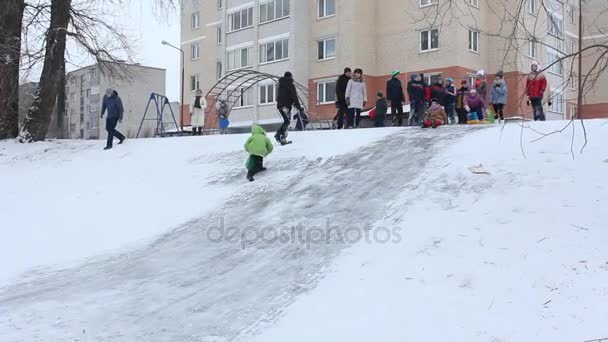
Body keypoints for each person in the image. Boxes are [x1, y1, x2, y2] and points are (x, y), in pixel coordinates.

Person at [276, 71, 302, 145]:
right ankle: (281, 137)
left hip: (280, 106)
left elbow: (279, 96)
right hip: (286, 106)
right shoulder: (290, 84)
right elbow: (294, 96)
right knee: (287, 121)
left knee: (286, 121)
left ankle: (278, 135)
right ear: (290, 76)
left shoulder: (280, 85)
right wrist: (298, 106)